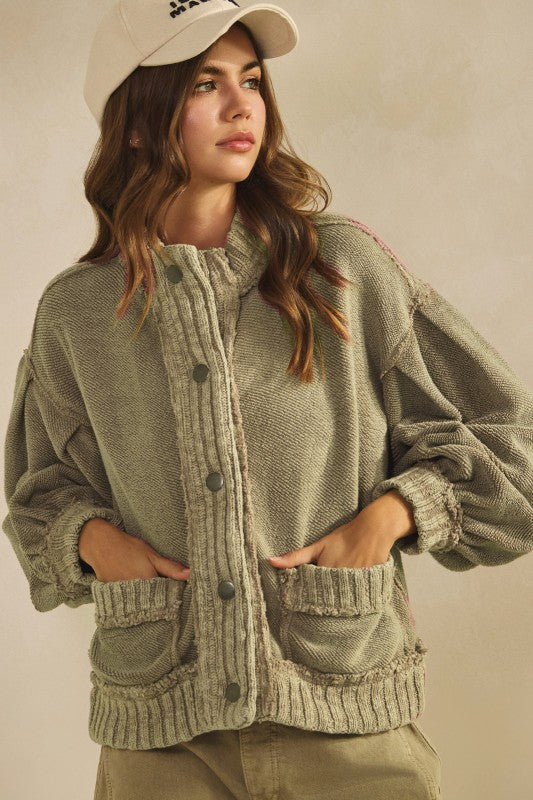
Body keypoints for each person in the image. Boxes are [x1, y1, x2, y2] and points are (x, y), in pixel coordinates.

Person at [3, 1, 532, 799]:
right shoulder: (76, 313)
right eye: (204, 84)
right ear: (137, 124)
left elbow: (509, 441)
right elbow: (37, 494)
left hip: (349, 726)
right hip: (160, 745)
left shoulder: (341, 270)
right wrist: (95, 542)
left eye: (249, 80)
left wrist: (391, 516)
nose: (241, 104)